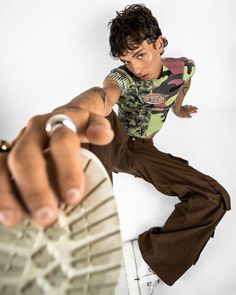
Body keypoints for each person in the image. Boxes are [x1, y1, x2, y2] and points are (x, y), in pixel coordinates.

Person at [0, 3, 231, 290]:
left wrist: (179, 109)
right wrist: (66, 114)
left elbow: (184, 83)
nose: (136, 67)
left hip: (144, 150)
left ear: (159, 43)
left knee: (215, 198)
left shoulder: (183, 69)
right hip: (116, 139)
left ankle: (149, 257)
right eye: (127, 60)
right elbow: (104, 97)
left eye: (140, 56)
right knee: (96, 119)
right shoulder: (123, 77)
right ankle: (67, 236)